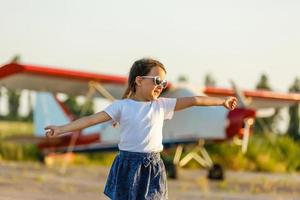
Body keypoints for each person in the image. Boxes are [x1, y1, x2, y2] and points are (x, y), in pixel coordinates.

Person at [45, 58, 237, 200]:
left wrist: (222, 101)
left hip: (153, 166)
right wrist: (61, 129)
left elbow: (194, 100)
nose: (160, 86)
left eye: (164, 83)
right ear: (138, 80)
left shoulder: (162, 105)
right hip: (127, 164)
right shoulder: (122, 106)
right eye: (156, 81)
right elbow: (91, 119)